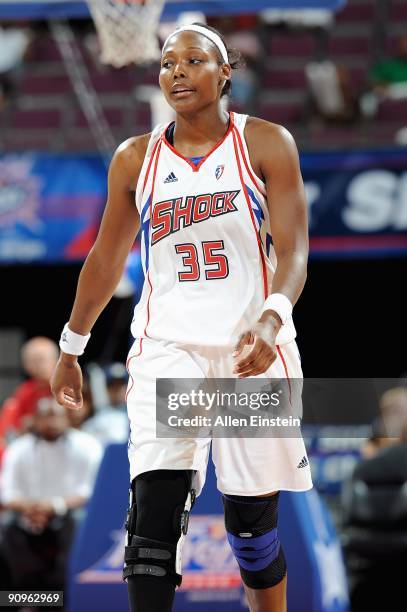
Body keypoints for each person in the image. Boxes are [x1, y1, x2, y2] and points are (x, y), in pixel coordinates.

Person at [51, 22, 312, 612]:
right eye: (168, 63)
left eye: (193, 61)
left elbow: (294, 253)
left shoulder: (267, 142)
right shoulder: (135, 158)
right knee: (151, 525)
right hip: (169, 349)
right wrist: (72, 347)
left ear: (225, 73)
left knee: (252, 528)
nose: (176, 72)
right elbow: (104, 258)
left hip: (251, 350)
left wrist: (271, 320)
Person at [0, 396, 102, 595]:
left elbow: (92, 490)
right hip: (28, 512)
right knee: (5, 524)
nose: (52, 422)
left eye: (57, 416)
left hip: (68, 512)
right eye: (46, 417)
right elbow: (8, 493)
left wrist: (54, 506)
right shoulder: (19, 448)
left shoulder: (87, 445)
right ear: (35, 420)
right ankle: (29, 596)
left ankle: (65, 594)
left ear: (67, 419)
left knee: (79, 521)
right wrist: (31, 508)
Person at [0, 337, 59, 460]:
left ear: (56, 360)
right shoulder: (25, 390)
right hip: (31, 445)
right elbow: (11, 425)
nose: (36, 365)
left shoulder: (65, 385)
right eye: (31, 360)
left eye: (41, 359)